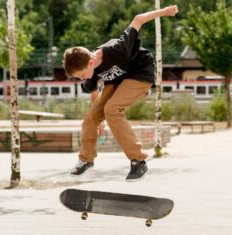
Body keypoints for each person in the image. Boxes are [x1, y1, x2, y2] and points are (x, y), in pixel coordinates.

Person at [63, 4, 179, 182]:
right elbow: (94, 93)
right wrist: (96, 120)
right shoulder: (91, 73)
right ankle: (86, 160)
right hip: (117, 81)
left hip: (140, 74)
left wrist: (165, 12)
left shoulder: (118, 48)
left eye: (83, 75)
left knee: (113, 109)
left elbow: (138, 19)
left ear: (91, 62)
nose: (83, 79)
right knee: (89, 118)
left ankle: (138, 161)